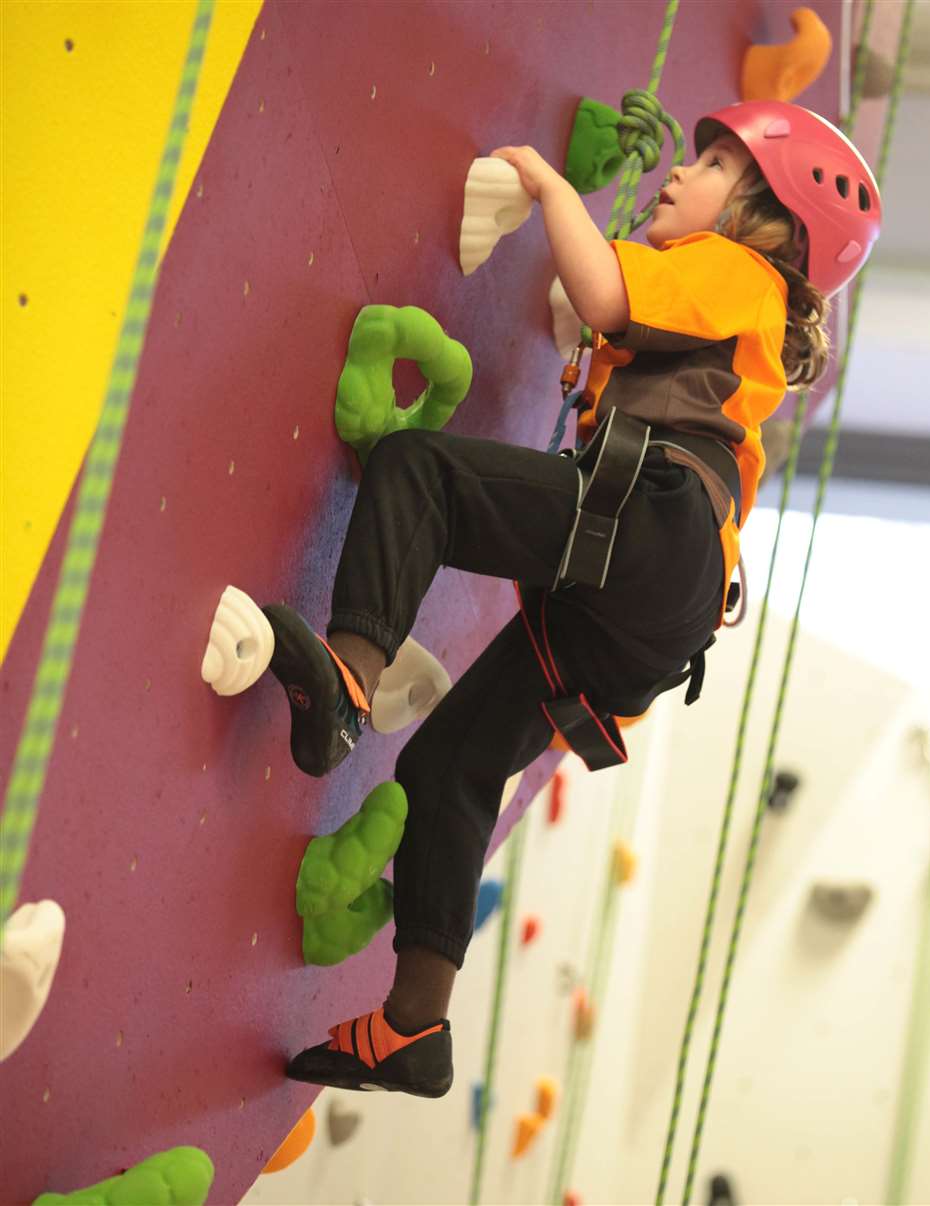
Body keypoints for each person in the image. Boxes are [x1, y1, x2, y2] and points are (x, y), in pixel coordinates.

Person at [270, 100, 882, 1097]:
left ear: (767, 224)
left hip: (656, 529)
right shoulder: (725, 309)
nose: (682, 174)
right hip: (652, 605)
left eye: (717, 165)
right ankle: (415, 1026)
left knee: (418, 473)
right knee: (455, 765)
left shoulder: (740, 274)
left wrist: (553, 187)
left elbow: (600, 292)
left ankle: (351, 683)